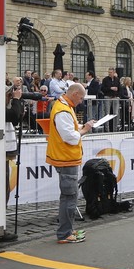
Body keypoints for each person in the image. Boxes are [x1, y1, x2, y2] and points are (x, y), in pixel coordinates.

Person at [47, 82, 95, 245]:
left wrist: (82, 127)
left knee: (69, 195)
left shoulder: (64, 106)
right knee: (69, 196)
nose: (81, 101)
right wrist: (84, 129)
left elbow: (70, 129)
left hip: (65, 157)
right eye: (81, 98)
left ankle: (67, 230)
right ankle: (64, 233)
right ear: (74, 94)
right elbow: (70, 136)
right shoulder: (63, 109)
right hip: (65, 158)